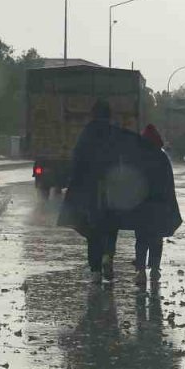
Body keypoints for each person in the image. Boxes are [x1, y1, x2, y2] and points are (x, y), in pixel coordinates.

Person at [58, 99, 128, 283]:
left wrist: (72, 185)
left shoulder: (86, 133)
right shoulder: (115, 133)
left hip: (90, 190)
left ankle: (96, 271)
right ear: (109, 115)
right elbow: (125, 159)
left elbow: (77, 161)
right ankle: (108, 257)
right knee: (112, 226)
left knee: (93, 231)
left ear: (93, 114)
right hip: (112, 188)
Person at [121, 123, 182, 287]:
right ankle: (155, 269)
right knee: (156, 239)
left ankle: (141, 271)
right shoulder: (162, 158)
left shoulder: (136, 158)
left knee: (141, 239)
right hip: (159, 206)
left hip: (141, 206)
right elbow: (169, 184)